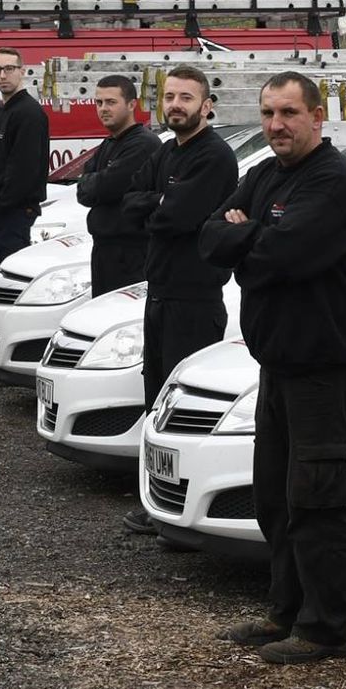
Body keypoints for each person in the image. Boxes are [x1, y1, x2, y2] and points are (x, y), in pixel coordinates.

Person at [200, 71, 346, 665]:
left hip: (325, 366)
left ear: (317, 116)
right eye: (269, 113)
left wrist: (247, 237)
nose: (277, 125)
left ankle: (326, 628)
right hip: (276, 363)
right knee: (276, 496)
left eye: (290, 113)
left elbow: (286, 255)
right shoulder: (265, 174)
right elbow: (208, 239)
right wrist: (255, 237)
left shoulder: (335, 182)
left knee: (318, 499)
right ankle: (285, 612)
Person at [121, 66, 238, 531]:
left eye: (186, 97)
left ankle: (180, 508)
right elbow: (133, 204)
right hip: (160, 293)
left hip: (195, 296)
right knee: (156, 396)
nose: (176, 105)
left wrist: (157, 205)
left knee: (184, 407)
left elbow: (180, 217)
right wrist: (158, 204)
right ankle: (158, 499)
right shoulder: (166, 152)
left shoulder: (215, 157)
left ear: (206, 105)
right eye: (170, 96)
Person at [0, 47, 50, 325]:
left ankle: (5, 335)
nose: (2, 75)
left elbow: (24, 169)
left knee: (7, 283)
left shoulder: (28, 113)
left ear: (22, 71)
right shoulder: (6, 110)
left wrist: (0, 204)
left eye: (9, 69)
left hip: (12, 212)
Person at [75, 74, 162, 294]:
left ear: (132, 104)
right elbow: (83, 190)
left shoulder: (142, 144)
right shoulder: (110, 142)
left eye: (111, 102)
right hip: (104, 251)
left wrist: (93, 182)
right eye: (99, 102)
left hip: (130, 255)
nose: (103, 108)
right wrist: (91, 183)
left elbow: (105, 186)